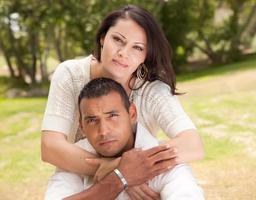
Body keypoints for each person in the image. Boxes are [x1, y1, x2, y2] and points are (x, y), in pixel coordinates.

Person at [41, 4, 204, 198]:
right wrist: (119, 172)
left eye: (137, 47)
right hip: (77, 172)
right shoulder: (70, 75)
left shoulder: (152, 90)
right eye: (118, 40)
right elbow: (50, 147)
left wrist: (133, 169)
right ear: (103, 39)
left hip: (139, 179)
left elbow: (192, 144)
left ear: (145, 56)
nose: (123, 53)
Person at [45, 78, 204, 200]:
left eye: (112, 116)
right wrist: (120, 178)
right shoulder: (75, 161)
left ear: (132, 114)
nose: (104, 131)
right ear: (81, 126)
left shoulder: (166, 163)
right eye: (92, 120)